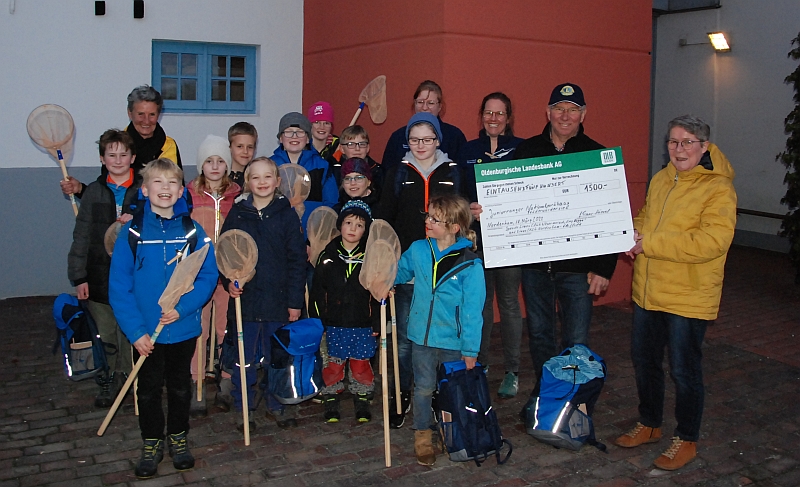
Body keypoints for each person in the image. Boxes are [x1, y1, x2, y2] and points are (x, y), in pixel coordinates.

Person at [614, 115, 737, 471]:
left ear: (705, 147)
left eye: (687, 142)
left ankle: (686, 438)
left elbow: (711, 242)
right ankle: (650, 423)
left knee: (684, 371)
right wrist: (629, 232)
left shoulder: (719, 188)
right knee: (645, 363)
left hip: (688, 296)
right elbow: (646, 218)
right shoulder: (662, 179)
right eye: (672, 142)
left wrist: (647, 242)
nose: (678, 149)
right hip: (649, 292)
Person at [109, 158, 217, 479]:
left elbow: (207, 277)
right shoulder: (132, 233)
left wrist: (182, 309)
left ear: (181, 189)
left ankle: (179, 438)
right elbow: (119, 288)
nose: (165, 189)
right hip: (145, 334)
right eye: (158, 182)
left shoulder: (193, 232)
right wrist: (135, 331)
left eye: (172, 183)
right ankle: (152, 441)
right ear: (144, 190)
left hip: (182, 329)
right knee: (148, 390)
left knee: (181, 387)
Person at [513, 83, 618, 386]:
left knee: (576, 339)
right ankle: (548, 393)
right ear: (548, 112)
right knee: (540, 334)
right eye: (559, 109)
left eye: (573, 110)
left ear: (583, 115)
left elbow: (608, 215)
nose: (565, 116)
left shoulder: (598, 155)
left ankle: (573, 399)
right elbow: (508, 202)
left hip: (578, 270)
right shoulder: (527, 150)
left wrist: (603, 267)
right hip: (535, 267)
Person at [375, 112, 465, 428]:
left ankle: (439, 393)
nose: (421, 145)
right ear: (407, 142)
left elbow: (461, 215)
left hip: (444, 272)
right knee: (403, 340)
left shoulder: (452, 172)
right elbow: (384, 219)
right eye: (415, 140)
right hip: (409, 270)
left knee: (442, 335)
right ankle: (401, 394)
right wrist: (386, 264)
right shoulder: (398, 172)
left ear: (438, 140)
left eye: (427, 139)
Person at [394, 194, 485, 465]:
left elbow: (472, 311)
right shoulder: (419, 249)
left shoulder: (470, 263)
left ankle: (452, 430)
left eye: (435, 219)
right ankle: (422, 433)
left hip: (453, 340)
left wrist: (470, 349)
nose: (428, 221)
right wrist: (382, 273)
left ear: (454, 227)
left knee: (452, 390)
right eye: (428, 216)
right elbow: (399, 272)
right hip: (421, 335)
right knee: (422, 387)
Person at [219, 157, 307, 430]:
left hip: (278, 302)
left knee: (276, 357)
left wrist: (294, 302)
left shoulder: (286, 214)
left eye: (267, 177)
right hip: (245, 301)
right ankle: (243, 404)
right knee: (244, 358)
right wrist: (229, 282)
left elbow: (297, 261)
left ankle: (276, 402)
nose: (262, 182)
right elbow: (226, 252)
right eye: (255, 177)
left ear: (277, 181)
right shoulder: (238, 213)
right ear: (248, 181)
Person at [67, 129, 140, 408]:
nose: (118, 159)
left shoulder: (143, 191)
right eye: (112, 154)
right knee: (106, 330)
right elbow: (81, 236)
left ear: (132, 158)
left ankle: (128, 375)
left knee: (128, 328)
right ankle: (109, 376)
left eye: (123, 154)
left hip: (133, 275)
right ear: (102, 158)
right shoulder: (94, 192)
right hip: (99, 276)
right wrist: (79, 275)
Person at [461, 92, 525, 398]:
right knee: (481, 302)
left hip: (510, 239)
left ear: (508, 118)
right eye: (488, 112)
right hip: (478, 239)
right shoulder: (468, 150)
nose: (493, 118)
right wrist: (467, 208)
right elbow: (459, 191)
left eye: (500, 113)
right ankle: (482, 362)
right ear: (481, 116)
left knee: (510, 303)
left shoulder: (522, 148)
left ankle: (512, 370)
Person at [186, 135, 242, 418]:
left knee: (225, 327)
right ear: (201, 165)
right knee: (200, 326)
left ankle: (227, 380)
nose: (215, 166)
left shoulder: (237, 195)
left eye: (220, 160)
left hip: (228, 271)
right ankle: (196, 381)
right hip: (198, 272)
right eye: (209, 160)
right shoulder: (189, 194)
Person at [310, 200, 378, 423]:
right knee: (333, 362)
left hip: (361, 321)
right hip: (334, 322)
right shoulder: (327, 256)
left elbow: (378, 293)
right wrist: (318, 320)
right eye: (348, 223)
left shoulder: (370, 257)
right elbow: (318, 291)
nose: (352, 229)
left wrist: (377, 321)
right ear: (340, 225)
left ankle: (362, 395)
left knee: (361, 363)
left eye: (359, 226)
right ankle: (331, 395)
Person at [60, 85, 183, 198]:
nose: (146, 121)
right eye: (140, 114)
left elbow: (177, 191)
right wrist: (80, 189)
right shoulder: (114, 146)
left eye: (152, 114)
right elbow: (106, 193)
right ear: (130, 113)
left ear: (159, 114)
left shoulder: (169, 145)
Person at [270, 112, 338, 233]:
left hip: (312, 234)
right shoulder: (271, 165)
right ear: (281, 138)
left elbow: (331, 203)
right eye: (289, 132)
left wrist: (318, 234)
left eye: (300, 132)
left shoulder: (321, 166)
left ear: (307, 138)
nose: (294, 136)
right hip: (277, 234)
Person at [381, 80, 467, 172]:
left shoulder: (454, 136)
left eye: (431, 103)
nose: (425, 107)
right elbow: (387, 173)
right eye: (420, 102)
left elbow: (462, 172)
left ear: (440, 107)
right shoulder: (398, 137)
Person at [338, 124, 383, 192]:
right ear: (342, 149)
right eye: (351, 144)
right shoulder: (334, 170)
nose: (357, 148)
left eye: (362, 144)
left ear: (368, 148)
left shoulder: (378, 171)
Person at [307, 101, 341, 183]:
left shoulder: (340, 148)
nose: (322, 127)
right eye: (316, 122)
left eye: (326, 123)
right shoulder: (302, 148)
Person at [227, 122, 258, 188]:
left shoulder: (256, 177)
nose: (245, 151)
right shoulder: (220, 174)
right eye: (240, 146)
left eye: (250, 147)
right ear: (230, 147)